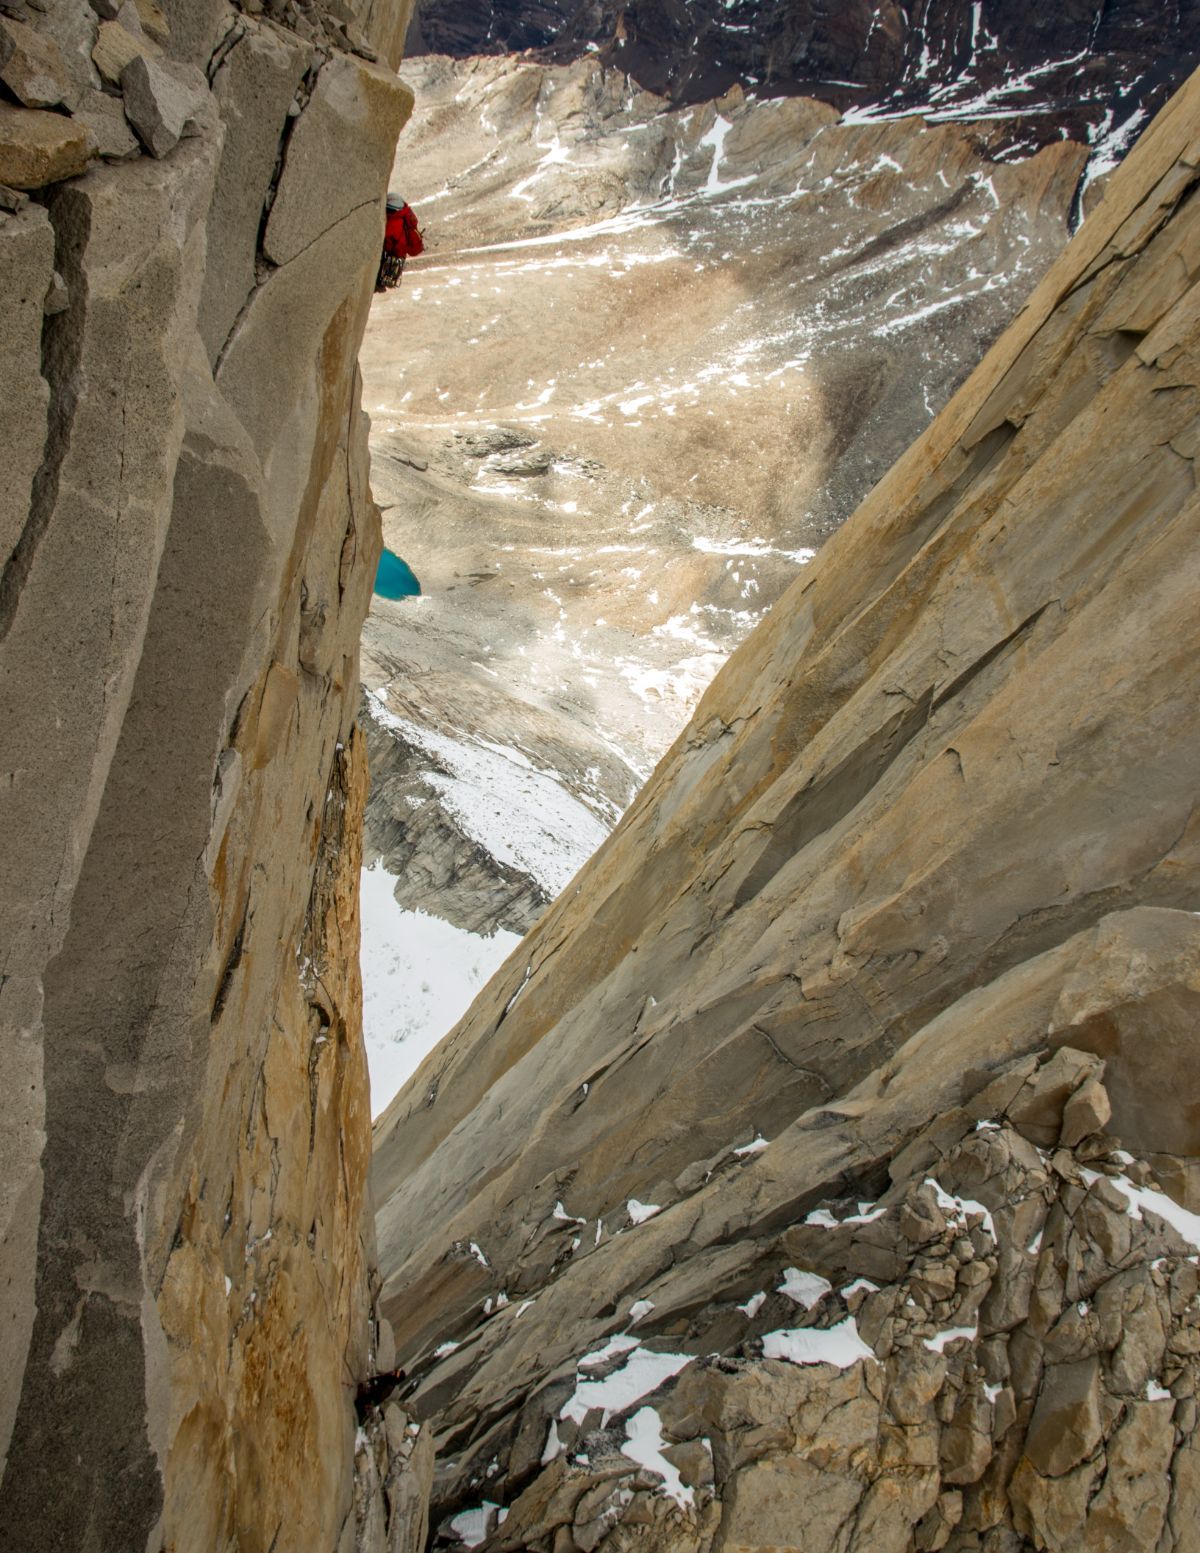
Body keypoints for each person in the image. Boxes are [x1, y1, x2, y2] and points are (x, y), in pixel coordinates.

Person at [376, 195, 424, 292]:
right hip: (398, 254)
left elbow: (386, 237)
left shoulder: (394, 222)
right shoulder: (405, 215)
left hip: (393, 253)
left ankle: (379, 283)